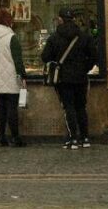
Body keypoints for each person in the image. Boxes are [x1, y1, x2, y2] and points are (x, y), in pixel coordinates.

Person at [42, 8, 101, 150]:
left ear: (60, 19)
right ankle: (85, 138)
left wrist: (57, 63)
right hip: (81, 78)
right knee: (81, 107)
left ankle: (73, 138)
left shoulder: (54, 37)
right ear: (74, 19)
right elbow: (94, 56)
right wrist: (84, 68)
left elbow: (45, 57)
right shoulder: (84, 36)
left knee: (68, 107)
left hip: (63, 79)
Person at [0, 2, 27, 147]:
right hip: (11, 77)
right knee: (12, 107)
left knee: (1, 106)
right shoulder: (11, 37)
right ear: (8, 21)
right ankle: (15, 137)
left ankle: (1, 137)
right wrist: (22, 75)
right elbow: (18, 60)